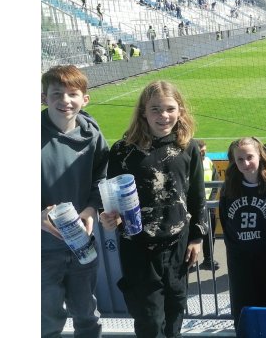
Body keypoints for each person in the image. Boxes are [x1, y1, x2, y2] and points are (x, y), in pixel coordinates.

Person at [100, 81, 207, 338]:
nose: (163, 116)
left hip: (178, 248)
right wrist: (108, 218)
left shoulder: (188, 147)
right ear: (143, 112)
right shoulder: (123, 151)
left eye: (170, 108)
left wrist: (196, 238)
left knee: (175, 315)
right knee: (149, 321)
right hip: (138, 249)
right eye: (156, 109)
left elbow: (197, 196)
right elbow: (111, 201)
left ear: (180, 111)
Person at [41, 65, 108, 338]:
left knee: (87, 315)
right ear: (43, 97)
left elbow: (101, 180)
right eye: (57, 94)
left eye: (72, 94)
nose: (65, 101)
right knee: (47, 320)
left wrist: (92, 209)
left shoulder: (93, 136)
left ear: (85, 99)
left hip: (81, 245)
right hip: (42, 251)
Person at [218, 137, 266, 330]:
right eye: (240, 159)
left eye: (250, 157)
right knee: (241, 307)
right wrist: (235, 247)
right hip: (238, 258)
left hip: (264, 257)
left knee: (264, 303)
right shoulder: (229, 186)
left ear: (260, 156)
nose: (246, 163)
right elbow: (226, 220)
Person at [196, 139, 221, 271]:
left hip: (208, 205)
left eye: (205, 151)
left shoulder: (209, 162)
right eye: (201, 152)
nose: (204, 154)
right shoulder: (188, 161)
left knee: (209, 234)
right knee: (189, 235)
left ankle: (208, 260)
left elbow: (215, 181)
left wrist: (210, 201)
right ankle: (188, 262)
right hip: (192, 206)